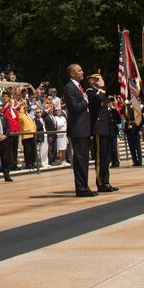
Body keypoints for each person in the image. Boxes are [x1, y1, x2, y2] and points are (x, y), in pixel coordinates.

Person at [63, 64, 93, 197]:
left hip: (84, 127)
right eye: (79, 70)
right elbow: (74, 107)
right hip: (77, 127)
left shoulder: (79, 87)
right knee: (80, 159)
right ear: (72, 74)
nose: (82, 72)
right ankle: (81, 188)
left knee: (84, 159)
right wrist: (86, 100)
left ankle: (85, 186)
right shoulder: (69, 88)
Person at [86, 73, 117, 193]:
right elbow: (96, 100)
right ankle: (100, 182)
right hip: (99, 127)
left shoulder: (100, 91)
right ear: (92, 80)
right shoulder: (90, 91)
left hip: (106, 127)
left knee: (107, 157)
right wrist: (102, 88)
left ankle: (106, 181)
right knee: (100, 157)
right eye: (98, 79)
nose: (101, 81)